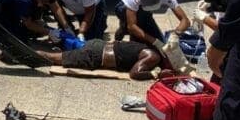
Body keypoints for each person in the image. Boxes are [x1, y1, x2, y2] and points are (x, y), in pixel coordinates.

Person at [35, 39, 175, 80]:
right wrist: (155, 74)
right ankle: (28, 55)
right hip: (97, 55)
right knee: (54, 58)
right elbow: (134, 73)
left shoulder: (150, 49)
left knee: (64, 56)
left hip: (98, 46)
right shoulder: (153, 57)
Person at [113, 0, 190, 47]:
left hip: (144, 12)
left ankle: (127, 27)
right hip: (124, 8)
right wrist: (153, 41)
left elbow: (185, 20)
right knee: (136, 38)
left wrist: (176, 34)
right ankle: (123, 28)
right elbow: (132, 26)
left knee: (162, 44)